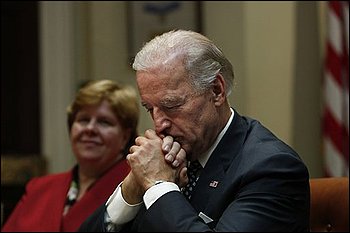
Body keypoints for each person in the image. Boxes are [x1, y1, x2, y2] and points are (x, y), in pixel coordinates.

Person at [79, 30, 310, 232]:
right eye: (150, 109)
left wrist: (160, 186)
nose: (159, 124)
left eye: (171, 106)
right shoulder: (169, 158)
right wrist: (132, 188)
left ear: (216, 91)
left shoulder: (271, 168)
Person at [1, 79, 140, 231]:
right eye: (83, 120)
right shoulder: (38, 188)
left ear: (125, 137)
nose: (90, 129)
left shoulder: (135, 189)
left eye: (104, 122)